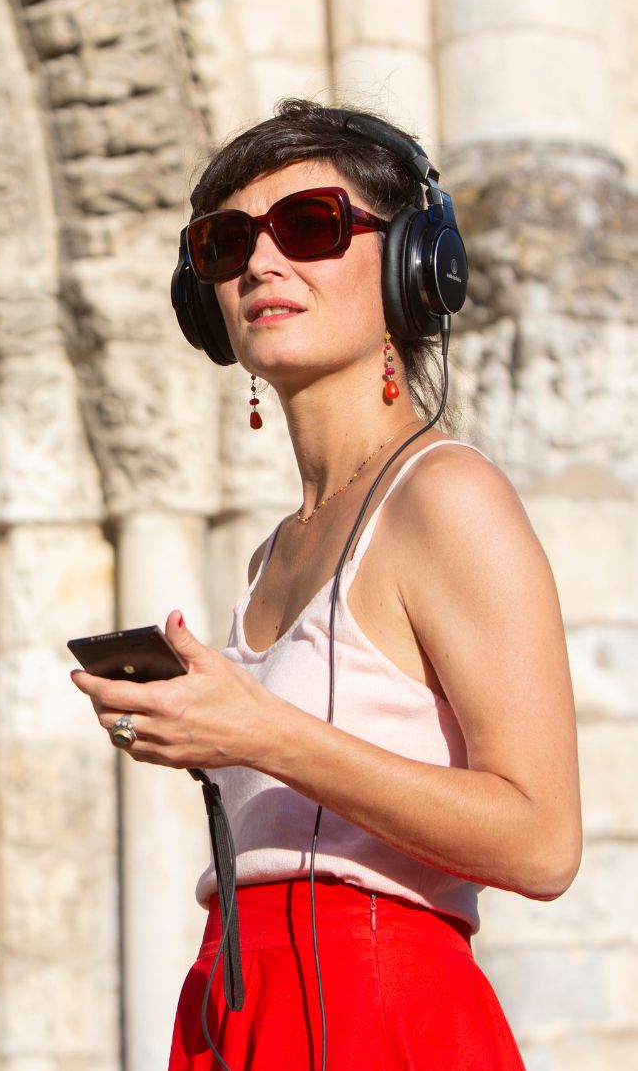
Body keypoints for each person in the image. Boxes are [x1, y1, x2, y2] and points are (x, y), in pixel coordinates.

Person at [70, 99, 582, 1070]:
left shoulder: (446, 494)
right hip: (239, 1003)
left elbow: (543, 838)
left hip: (381, 1009)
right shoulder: (273, 553)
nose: (262, 263)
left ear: (411, 266)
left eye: (311, 226)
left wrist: (261, 731)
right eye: (225, 243)